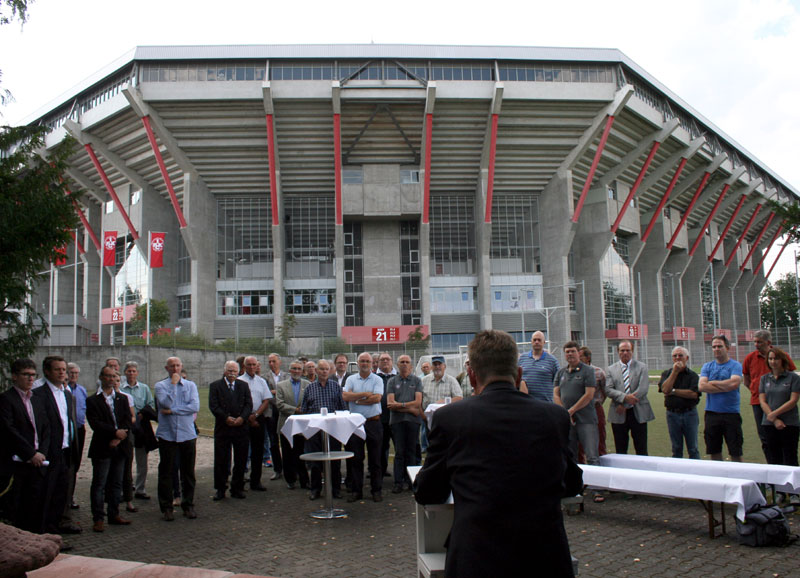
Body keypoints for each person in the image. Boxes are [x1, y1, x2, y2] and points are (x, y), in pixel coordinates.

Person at [414, 330, 581, 577]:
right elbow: (573, 482)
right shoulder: (554, 417)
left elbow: (428, 490)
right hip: (544, 556)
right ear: (518, 375)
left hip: (477, 556)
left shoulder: (450, 418)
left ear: (471, 376)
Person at [0, 359, 51, 533]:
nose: (30, 379)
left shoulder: (37, 399)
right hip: (18, 464)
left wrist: (42, 452)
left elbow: (46, 427)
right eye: (26, 374)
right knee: (17, 507)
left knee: (36, 505)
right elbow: (9, 430)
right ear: (14, 376)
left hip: (38, 462)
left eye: (33, 375)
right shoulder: (6, 400)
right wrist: (30, 454)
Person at [33, 355, 81, 535]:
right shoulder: (39, 394)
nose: (62, 373)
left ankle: (56, 529)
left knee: (61, 494)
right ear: (47, 371)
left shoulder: (67, 394)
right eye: (57, 369)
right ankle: (44, 532)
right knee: (47, 494)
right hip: (49, 452)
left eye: (64, 370)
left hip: (65, 451)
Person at [86, 365, 133, 532]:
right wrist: (114, 434)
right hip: (102, 446)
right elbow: (95, 423)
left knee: (116, 482)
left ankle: (114, 514)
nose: (111, 379)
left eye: (114, 377)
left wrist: (119, 438)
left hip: (120, 447)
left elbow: (128, 420)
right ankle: (98, 518)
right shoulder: (92, 400)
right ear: (101, 377)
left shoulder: (122, 399)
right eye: (108, 376)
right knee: (99, 483)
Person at [155, 357, 200, 520]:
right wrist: (173, 385)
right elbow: (165, 404)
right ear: (167, 368)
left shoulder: (191, 385)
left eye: (177, 366)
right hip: (167, 436)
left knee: (188, 472)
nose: (175, 369)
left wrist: (173, 411)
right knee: (166, 472)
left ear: (181, 367)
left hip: (187, 434)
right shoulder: (160, 386)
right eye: (172, 366)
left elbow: (194, 407)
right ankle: (166, 507)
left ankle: (188, 505)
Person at [743, 329, 796, 461]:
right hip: (758, 402)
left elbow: (790, 375)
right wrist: (757, 392)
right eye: (754, 342)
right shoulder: (750, 358)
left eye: (759, 342)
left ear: (768, 342)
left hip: (781, 402)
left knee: (785, 438)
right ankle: (771, 465)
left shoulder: (782, 356)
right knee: (766, 438)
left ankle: (787, 467)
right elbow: (747, 379)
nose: (756, 344)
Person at [301, 358, 346, 500]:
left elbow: (342, 408)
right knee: (315, 461)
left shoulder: (335, 387)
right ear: (316, 370)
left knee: (335, 461)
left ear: (330, 371)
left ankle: (336, 489)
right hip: (314, 430)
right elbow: (304, 409)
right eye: (321, 369)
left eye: (327, 369)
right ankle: (315, 489)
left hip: (333, 430)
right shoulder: (309, 388)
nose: (324, 371)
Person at [343, 353, 385, 502]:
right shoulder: (350, 379)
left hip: (373, 422)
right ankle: (356, 491)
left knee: (375, 459)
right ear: (358, 363)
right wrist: (364, 395)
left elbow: (377, 398)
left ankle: (376, 490)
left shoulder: (377, 379)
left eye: (367, 361)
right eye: (362, 361)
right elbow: (345, 396)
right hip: (355, 423)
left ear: (372, 363)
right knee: (356, 458)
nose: (365, 363)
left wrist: (357, 399)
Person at [209, 361, 252, 500]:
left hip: (241, 428)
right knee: (221, 460)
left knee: (241, 459)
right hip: (223, 428)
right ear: (224, 371)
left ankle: (237, 487)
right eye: (229, 371)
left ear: (239, 372)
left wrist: (242, 418)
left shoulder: (243, 386)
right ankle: (220, 489)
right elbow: (214, 406)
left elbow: (248, 404)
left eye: (234, 371)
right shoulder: (215, 386)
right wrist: (226, 418)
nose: (232, 373)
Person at [554, 341, 598, 470]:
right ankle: (575, 487)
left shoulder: (588, 371)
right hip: (568, 422)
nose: (570, 354)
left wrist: (571, 411)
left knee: (592, 456)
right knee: (571, 456)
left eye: (573, 351)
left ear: (578, 353)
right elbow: (556, 395)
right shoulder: (561, 373)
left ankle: (596, 488)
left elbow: (589, 395)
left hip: (586, 420)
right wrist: (565, 413)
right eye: (567, 352)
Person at [699, 335, 744, 462]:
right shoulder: (707, 366)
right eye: (714, 347)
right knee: (714, 451)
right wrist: (725, 385)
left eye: (720, 346)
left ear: (727, 348)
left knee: (735, 451)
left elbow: (734, 383)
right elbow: (702, 386)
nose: (716, 349)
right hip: (712, 413)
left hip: (731, 414)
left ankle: (738, 478)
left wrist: (713, 383)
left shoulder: (735, 365)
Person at [605, 340, 654, 455]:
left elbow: (642, 390)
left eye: (628, 350)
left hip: (638, 412)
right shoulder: (611, 369)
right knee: (620, 448)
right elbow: (608, 389)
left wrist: (625, 405)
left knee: (641, 448)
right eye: (622, 350)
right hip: (618, 412)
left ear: (632, 351)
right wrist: (624, 398)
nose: (625, 353)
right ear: (618, 352)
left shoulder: (642, 367)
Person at [758, 348, 800, 475]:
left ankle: (794, 492)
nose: (773, 361)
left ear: (782, 360)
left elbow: (793, 400)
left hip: (789, 423)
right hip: (769, 424)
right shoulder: (765, 379)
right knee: (774, 457)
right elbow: (762, 401)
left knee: (790, 456)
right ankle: (779, 491)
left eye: (776, 358)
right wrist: (774, 419)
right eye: (770, 359)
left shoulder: (793, 378)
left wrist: (775, 414)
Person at [120, 361, 156, 508]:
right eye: (129, 371)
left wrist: (141, 415)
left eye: (134, 371)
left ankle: (140, 488)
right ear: (125, 373)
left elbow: (151, 404)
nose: (131, 373)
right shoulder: (121, 389)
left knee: (142, 459)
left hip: (141, 426)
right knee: (126, 459)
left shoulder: (144, 388)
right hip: (126, 426)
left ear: (137, 373)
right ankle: (126, 488)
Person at [387, 354, 422, 493]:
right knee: (399, 452)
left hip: (413, 422)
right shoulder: (391, 381)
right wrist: (410, 408)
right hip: (397, 422)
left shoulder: (417, 380)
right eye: (402, 362)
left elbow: (418, 402)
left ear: (411, 365)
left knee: (412, 452)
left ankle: (411, 481)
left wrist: (399, 405)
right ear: (397, 364)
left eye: (407, 362)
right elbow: (390, 403)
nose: (405, 364)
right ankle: (398, 482)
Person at [658, 346, 700, 459]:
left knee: (693, 448)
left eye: (680, 355)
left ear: (687, 358)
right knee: (676, 448)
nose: (677, 358)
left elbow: (693, 394)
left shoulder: (693, 376)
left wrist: (674, 391)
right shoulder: (666, 374)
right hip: (672, 415)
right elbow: (665, 389)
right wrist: (674, 372)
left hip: (690, 414)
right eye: (675, 356)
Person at [275, 360, 310, 490]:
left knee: (301, 453)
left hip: (302, 425)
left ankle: (304, 480)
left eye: (299, 369)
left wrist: (304, 409)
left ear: (302, 371)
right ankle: (290, 479)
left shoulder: (307, 384)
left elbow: (310, 401)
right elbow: (279, 404)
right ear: (290, 370)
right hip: (286, 425)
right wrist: (295, 410)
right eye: (294, 369)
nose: (296, 371)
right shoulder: (281, 385)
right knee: (287, 453)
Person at [239, 356, 272, 491]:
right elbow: (237, 402)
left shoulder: (261, 381)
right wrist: (247, 417)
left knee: (258, 451)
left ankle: (255, 481)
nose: (252, 367)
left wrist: (256, 415)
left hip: (258, 419)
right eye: (249, 365)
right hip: (243, 419)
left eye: (254, 364)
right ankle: (239, 481)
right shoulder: (239, 381)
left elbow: (266, 400)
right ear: (244, 366)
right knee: (242, 451)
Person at [66, 362, 88, 510]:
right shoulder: (63, 390)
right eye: (70, 372)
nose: (73, 375)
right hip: (67, 431)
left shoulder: (82, 390)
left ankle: (70, 496)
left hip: (80, 429)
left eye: (76, 373)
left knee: (75, 464)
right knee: (66, 465)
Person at [578, 346, 607, 457]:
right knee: (579, 440)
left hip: (595, 408)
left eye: (580, 357)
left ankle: (601, 463)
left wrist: (598, 402)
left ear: (588, 358)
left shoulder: (599, 372)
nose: (578, 359)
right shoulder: (574, 372)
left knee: (599, 436)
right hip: (580, 410)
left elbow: (605, 391)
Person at [518, 330, 560, 401]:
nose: (536, 342)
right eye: (534, 340)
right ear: (531, 341)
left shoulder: (552, 361)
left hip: (545, 404)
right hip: (526, 403)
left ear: (544, 342)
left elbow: (558, 382)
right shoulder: (522, 359)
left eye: (539, 340)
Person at [263, 353, 287, 479]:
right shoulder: (264, 378)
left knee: (286, 441)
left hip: (284, 413)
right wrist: (280, 394)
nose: (271, 363)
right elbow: (266, 395)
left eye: (274, 361)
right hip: (271, 412)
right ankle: (277, 469)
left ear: (279, 362)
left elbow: (287, 393)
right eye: (270, 361)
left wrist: (275, 393)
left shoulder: (286, 376)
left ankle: (289, 468)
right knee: (273, 442)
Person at [375, 352, 397, 478]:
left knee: (398, 447)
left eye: (387, 359)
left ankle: (400, 473)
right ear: (378, 362)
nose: (385, 362)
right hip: (380, 418)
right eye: (382, 359)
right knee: (381, 447)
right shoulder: (374, 377)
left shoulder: (398, 377)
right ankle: (381, 471)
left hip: (396, 418)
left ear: (391, 361)